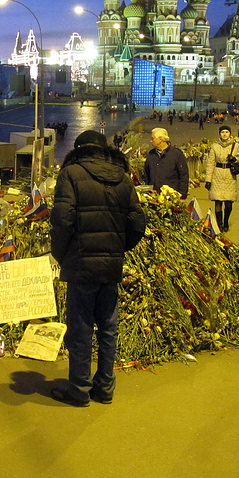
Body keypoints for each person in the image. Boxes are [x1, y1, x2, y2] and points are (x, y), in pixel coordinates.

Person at [50, 130, 147, 406]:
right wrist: (118, 248)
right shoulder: (123, 178)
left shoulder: (70, 175)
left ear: (78, 150)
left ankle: (79, 390)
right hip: (111, 264)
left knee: (80, 329)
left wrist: (61, 254)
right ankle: (104, 388)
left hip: (81, 263)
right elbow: (137, 221)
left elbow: (62, 220)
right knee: (108, 327)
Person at [204, 125, 239, 233]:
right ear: (219, 134)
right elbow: (210, 163)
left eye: (226, 132)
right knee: (218, 201)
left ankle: (226, 220)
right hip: (217, 174)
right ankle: (219, 224)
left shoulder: (235, 146)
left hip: (229, 175)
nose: (224, 134)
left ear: (230, 134)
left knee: (228, 202)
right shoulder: (214, 146)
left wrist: (235, 159)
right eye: (222, 132)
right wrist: (208, 179)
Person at [143, 128, 189, 197]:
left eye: (153, 139)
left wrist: (182, 195)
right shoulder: (151, 154)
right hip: (154, 197)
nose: (151, 141)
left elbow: (183, 176)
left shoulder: (176, 154)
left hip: (172, 197)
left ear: (161, 139)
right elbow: (146, 174)